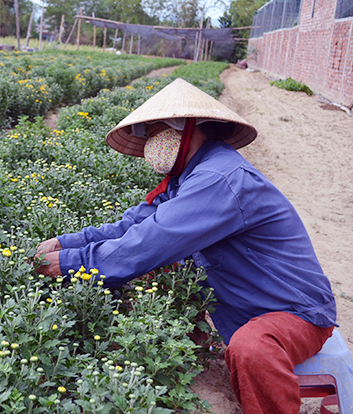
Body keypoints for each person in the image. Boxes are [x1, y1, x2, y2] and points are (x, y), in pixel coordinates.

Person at [35, 78, 337, 414]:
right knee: (173, 273)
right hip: (249, 303)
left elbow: (148, 244)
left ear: (187, 128)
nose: (150, 142)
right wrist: (67, 242)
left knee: (252, 348)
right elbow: (134, 223)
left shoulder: (219, 179)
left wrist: (70, 264)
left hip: (293, 311)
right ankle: (193, 351)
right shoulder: (190, 177)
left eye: (154, 131)